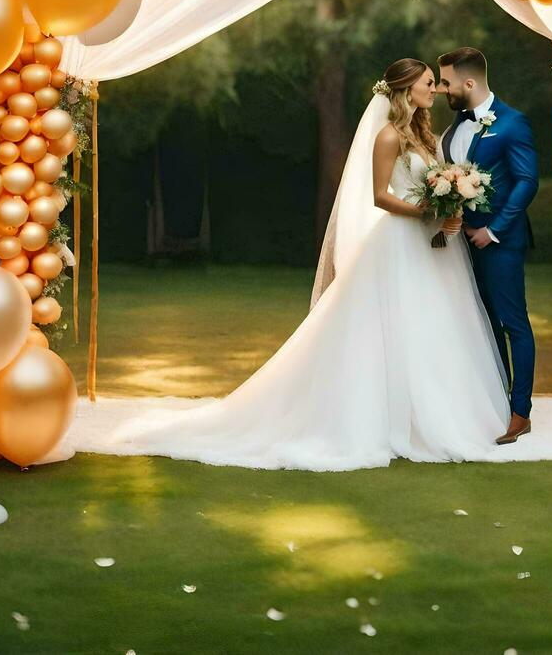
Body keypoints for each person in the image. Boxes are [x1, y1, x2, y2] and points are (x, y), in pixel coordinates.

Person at [96, 58, 510, 470]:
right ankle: (386, 418)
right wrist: (422, 212)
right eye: (427, 83)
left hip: (428, 244)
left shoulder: (424, 135)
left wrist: (449, 201)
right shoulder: (388, 137)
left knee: (429, 324)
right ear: (406, 89)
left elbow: (434, 186)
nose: (434, 89)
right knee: (389, 324)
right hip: (399, 241)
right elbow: (380, 196)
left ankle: (430, 413)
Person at [438, 47, 539, 445]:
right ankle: (495, 398)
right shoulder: (453, 128)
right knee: (482, 322)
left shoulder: (513, 124)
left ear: (468, 83)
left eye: (446, 82)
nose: (443, 88)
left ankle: (520, 412)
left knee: (514, 323)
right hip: (461, 243)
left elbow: (527, 181)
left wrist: (492, 230)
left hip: (500, 241)